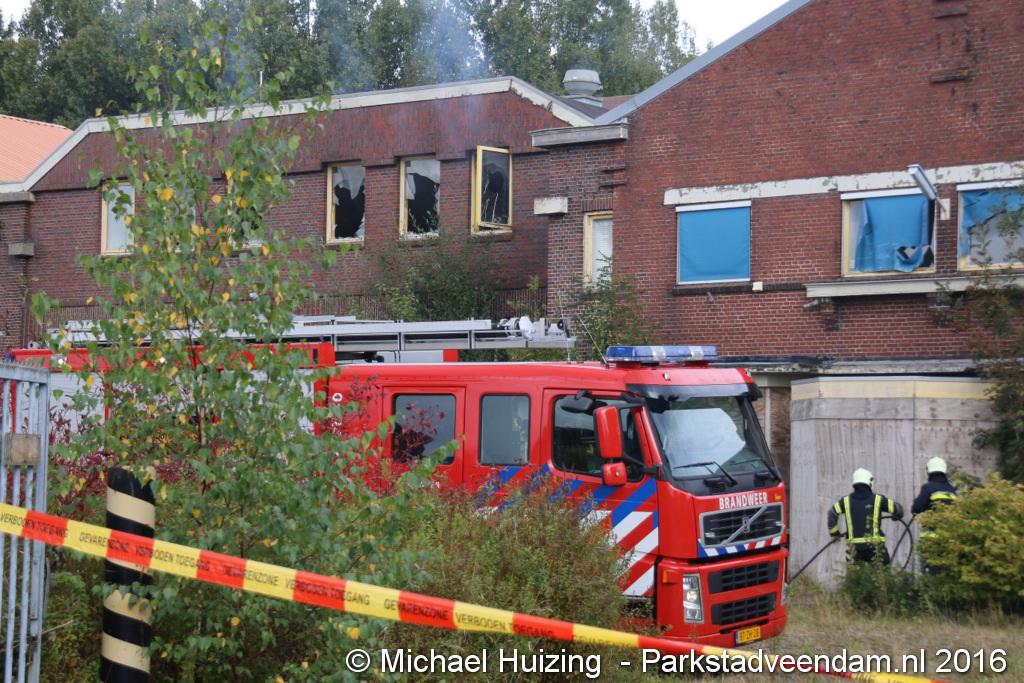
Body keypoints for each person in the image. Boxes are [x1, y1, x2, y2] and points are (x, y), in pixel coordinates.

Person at [827, 468, 903, 564]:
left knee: (856, 573)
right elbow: (898, 509)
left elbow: (832, 513)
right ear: (869, 482)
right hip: (875, 548)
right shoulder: (878, 499)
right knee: (883, 571)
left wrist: (834, 533)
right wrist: (896, 516)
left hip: (854, 549)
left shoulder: (845, 501)